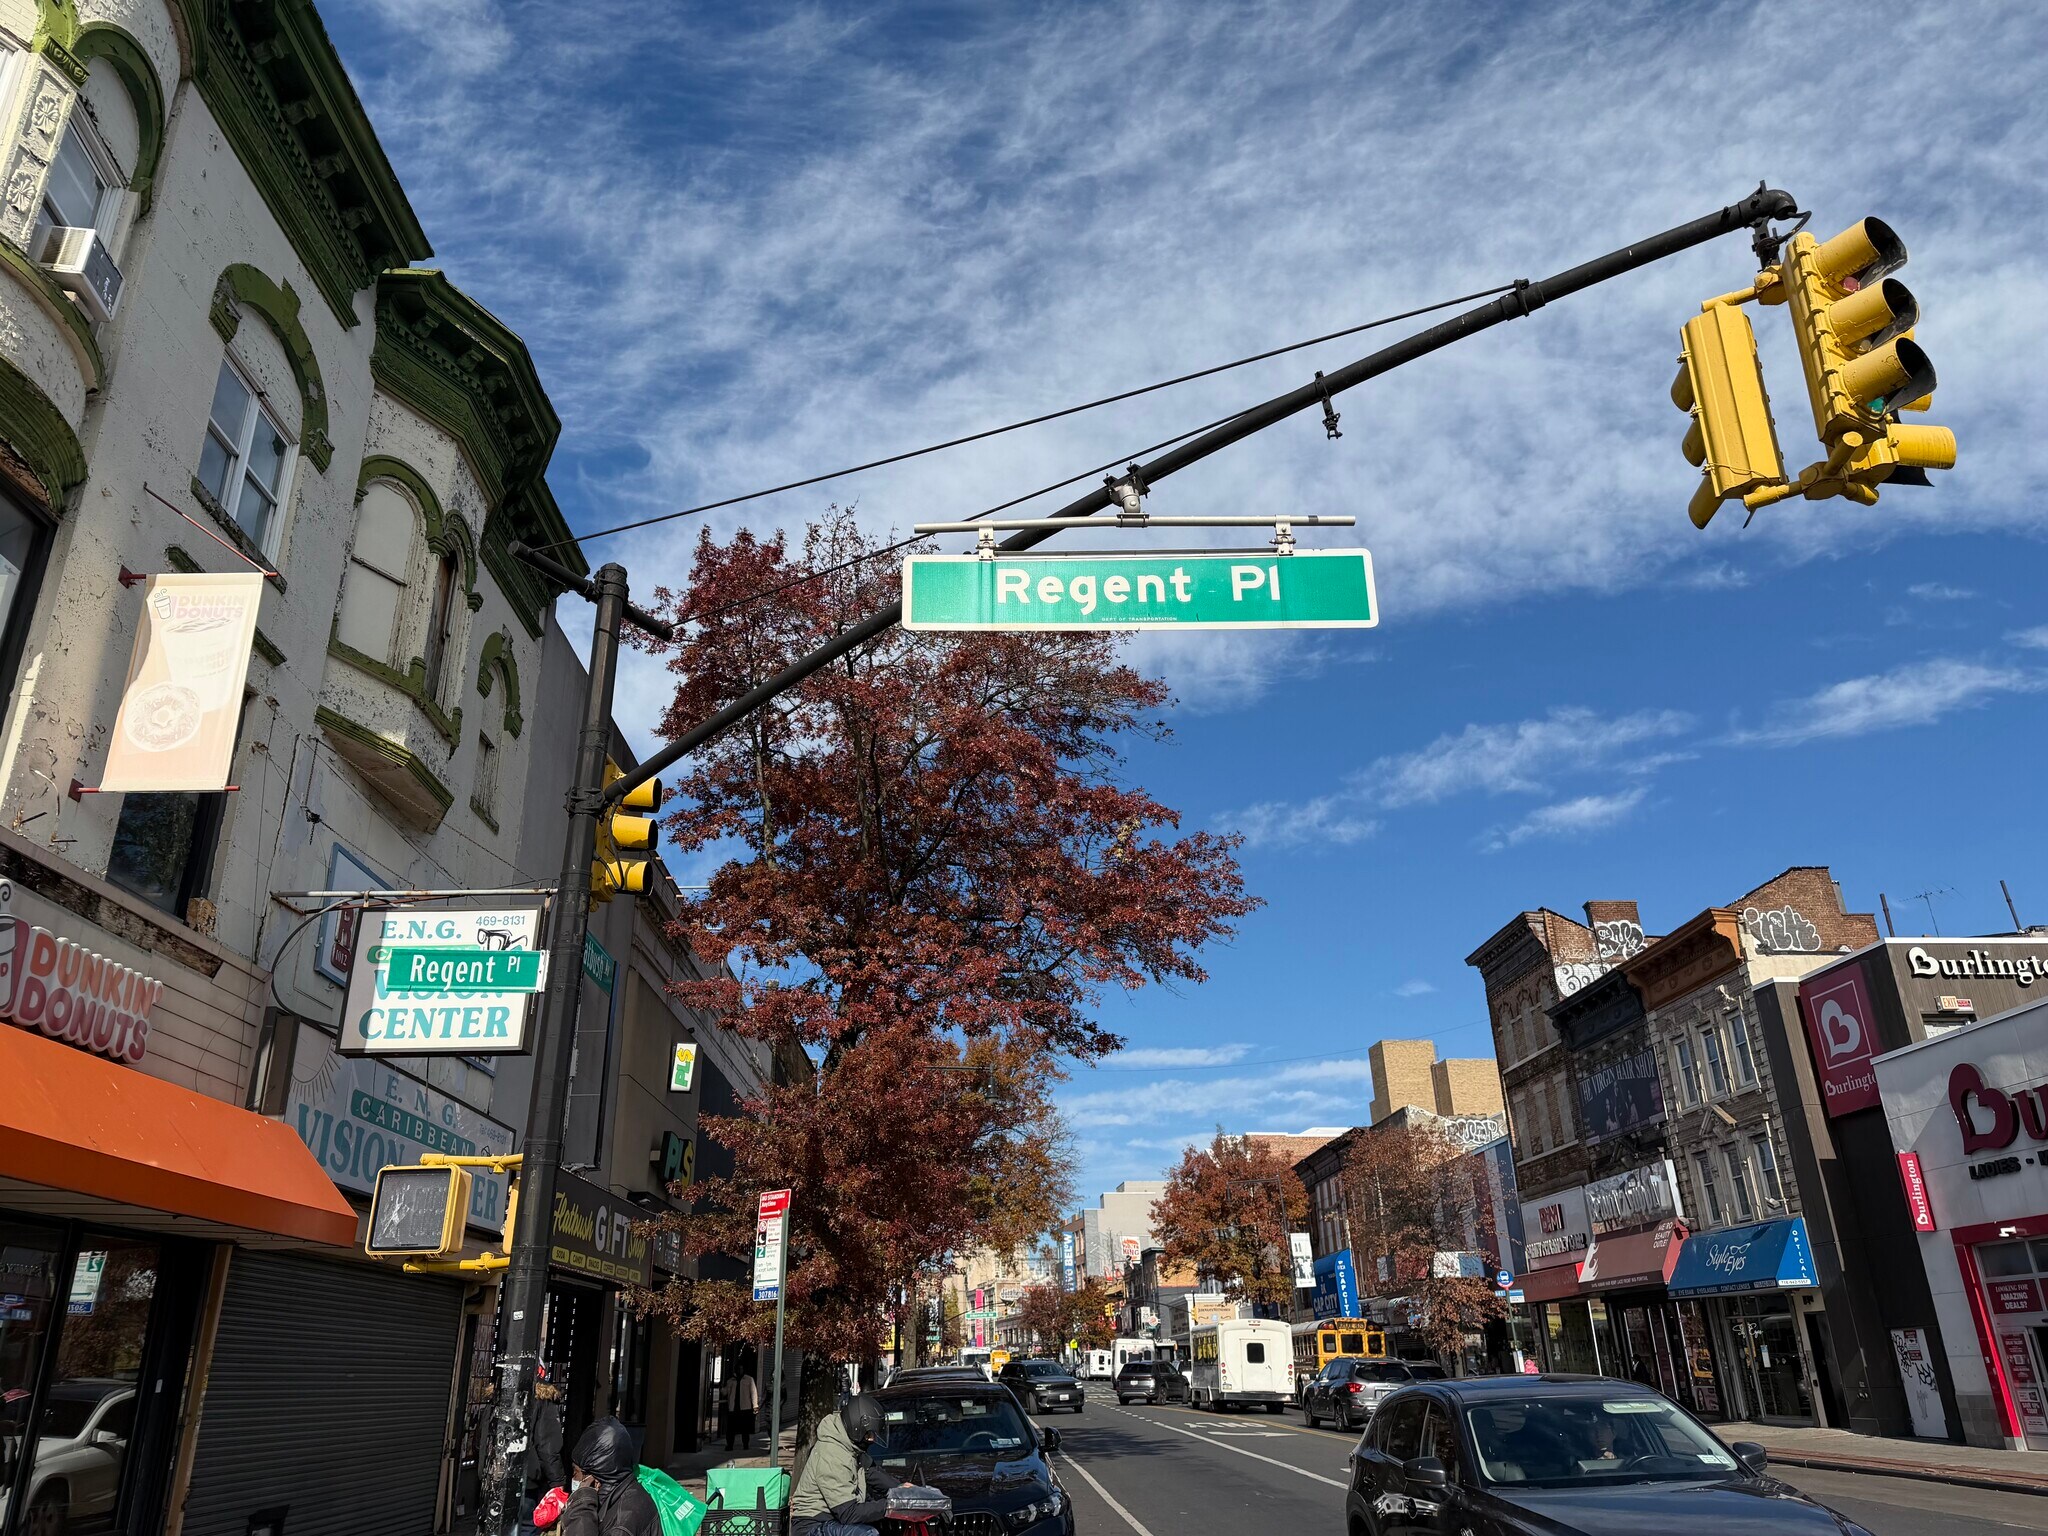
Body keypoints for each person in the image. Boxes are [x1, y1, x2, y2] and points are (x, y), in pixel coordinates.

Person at [788, 1394, 901, 1536]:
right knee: (866, 1534)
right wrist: (892, 1504)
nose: (872, 1439)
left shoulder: (850, 1447)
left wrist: (903, 1491)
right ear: (857, 1426)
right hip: (813, 1525)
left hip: (832, 1519)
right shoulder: (832, 1454)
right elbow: (848, 1513)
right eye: (869, 1434)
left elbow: (872, 1472)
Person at [560, 1418, 660, 1536]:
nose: (573, 1477)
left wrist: (582, 1504)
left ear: (594, 1481)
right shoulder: (629, 1489)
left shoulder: (619, 1526)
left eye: (575, 1471)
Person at [723, 1363, 760, 1454]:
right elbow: (725, 1392)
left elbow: (753, 1393)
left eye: (741, 1368)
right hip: (733, 1408)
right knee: (730, 1429)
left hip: (745, 1408)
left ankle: (745, 1444)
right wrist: (722, 1387)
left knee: (745, 1429)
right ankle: (730, 1445)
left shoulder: (749, 1379)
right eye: (738, 1369)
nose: (739, 1370)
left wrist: (755, 1405)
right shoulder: (731, 1381)